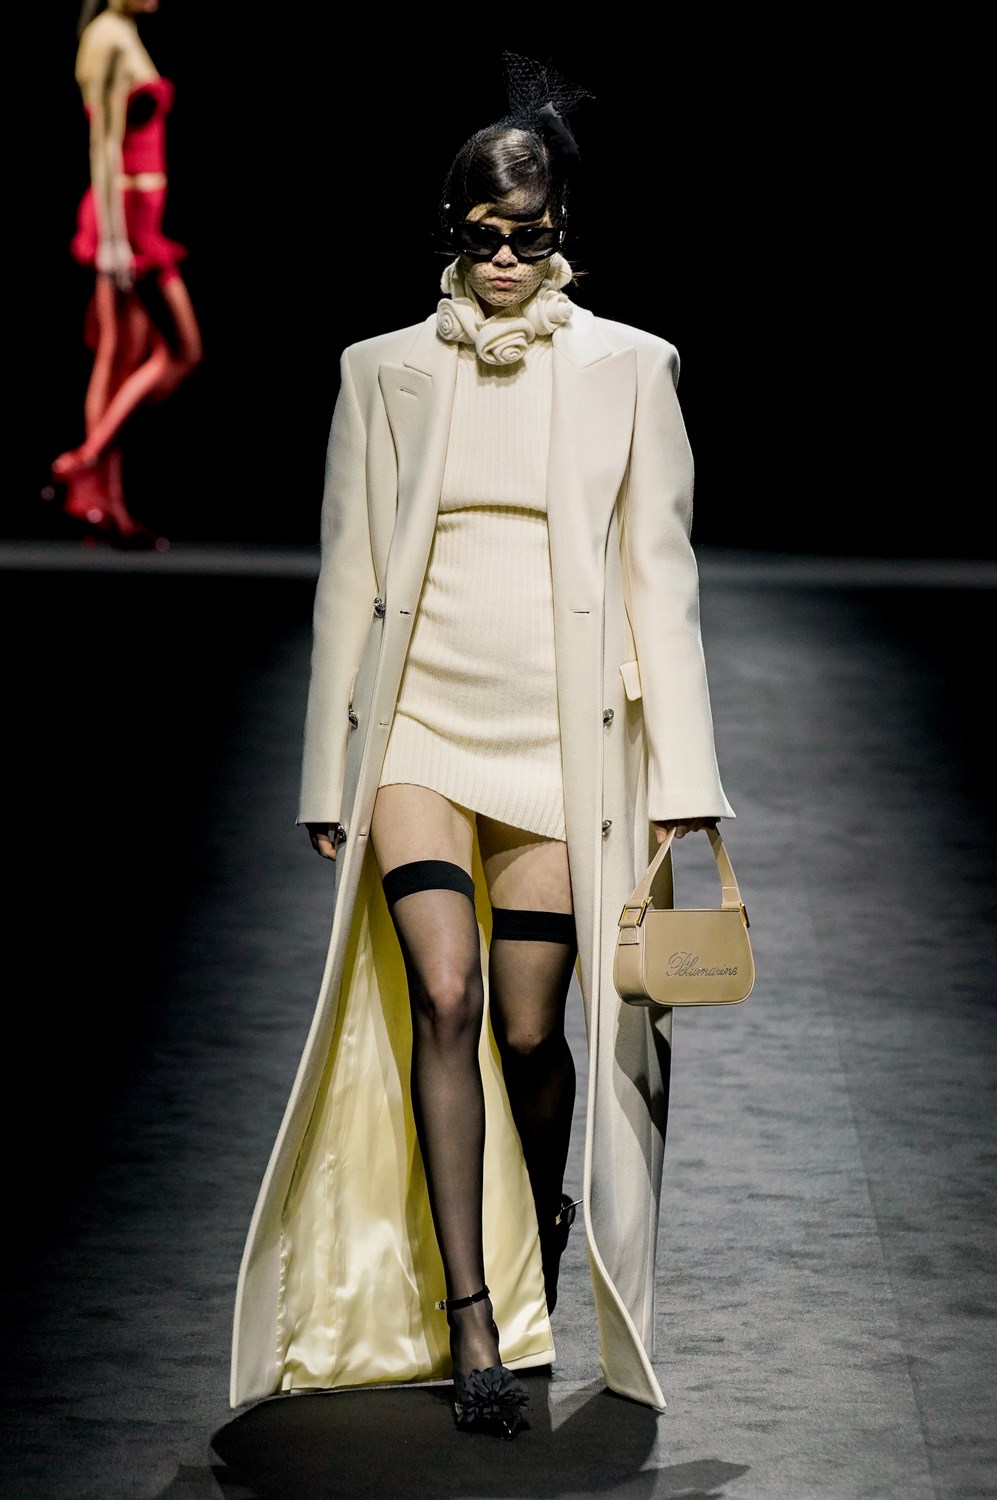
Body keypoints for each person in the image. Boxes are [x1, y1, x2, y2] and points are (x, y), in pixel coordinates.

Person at [230, 52, 734, 1441]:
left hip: (562, 751)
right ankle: (472, 1317)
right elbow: (347, 577)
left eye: (529, 235)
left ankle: (536, 1210)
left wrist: (685, 782)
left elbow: (663, 580)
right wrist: (326, 772)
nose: (505, 260)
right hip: (421, 732)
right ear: (447, 230)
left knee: (527, 1030)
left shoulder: (632, 369)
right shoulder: (381, 371)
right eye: (481, 236)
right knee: (443, 997)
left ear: (563, 229)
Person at [49, 0, 202, 548]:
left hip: (138, 216)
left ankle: (105, 507)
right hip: (126, 222)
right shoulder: (109, 38)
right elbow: (102, 145)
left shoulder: (123, 32)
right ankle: (83, 464)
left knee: (119, 357)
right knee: (182, 350)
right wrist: (114, 242)